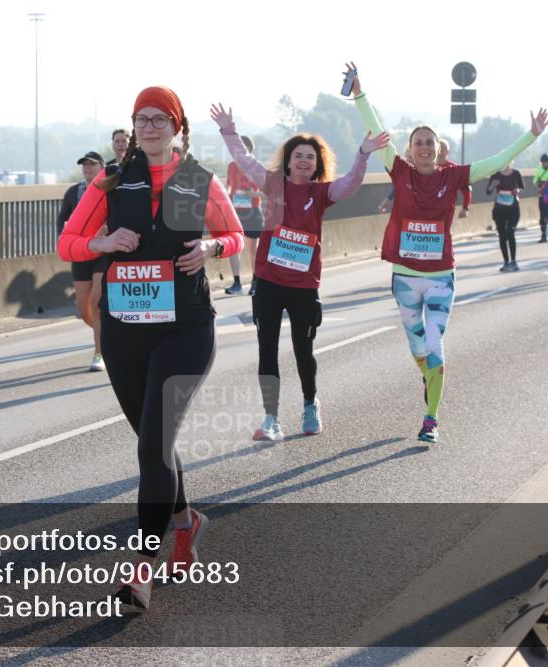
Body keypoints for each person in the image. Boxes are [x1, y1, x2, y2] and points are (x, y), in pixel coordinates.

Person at [58, 86, 244, 609]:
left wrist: (210, 246)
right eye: (141, 118)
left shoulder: (197, 180)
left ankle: (142, 566)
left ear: (178, 127)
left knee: (153, 442)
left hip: (186, 328)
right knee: (154, 440)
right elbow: (69, 242)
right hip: (124, 329)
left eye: (160, 118)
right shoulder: (112, 180)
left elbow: (235, 237)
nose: (149, 126)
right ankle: (187, 522)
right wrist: (103, 243)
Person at [348, 62, 547, 444]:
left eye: (430, 142)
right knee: (417, 349)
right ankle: (430, 379)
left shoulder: (452, 176)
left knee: (435, 347)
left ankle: (430, 417)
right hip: (405, 278)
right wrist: (360, 93)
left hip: (440, 279)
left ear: (439, 150)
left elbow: (495, 162)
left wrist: (531, 137)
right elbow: (376, 127)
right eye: (417, 141)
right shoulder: (399, 171)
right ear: (408, 150)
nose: (424, 146)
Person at [210, 101, 387, 441]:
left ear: (317, 163)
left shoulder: (323, 192)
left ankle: (309, 404)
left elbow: (350, 184)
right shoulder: (273, 183)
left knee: (303, 350)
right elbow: (244, 161)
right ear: (288, 161)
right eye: (298, 156)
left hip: (304, 285)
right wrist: (229, 131)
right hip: (268, 281)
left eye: (310, 157)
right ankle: (271, 418)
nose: (304, 161)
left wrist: (363, 154)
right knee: (266, 349)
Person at [57, 151, 107, 371]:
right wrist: (64, 238)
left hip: (104, 252)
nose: (87, 169)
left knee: (97, 302)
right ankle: (104, 331)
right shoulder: (74, 192)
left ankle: (99, 353)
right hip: (81, 251)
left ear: (102, 167)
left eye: (92, 165)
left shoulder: (110, 188)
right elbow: (62, 218)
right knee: (83, 306)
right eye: (84, 166)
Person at [224, 135, 264, 296]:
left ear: (248, 150)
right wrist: (225, 198)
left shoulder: (256, 167)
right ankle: (237, 282)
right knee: (233, 248)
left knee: (252, 250)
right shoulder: (232, 166)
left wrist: (252, 194)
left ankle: (255, 281)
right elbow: (228, 186)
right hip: (235, 211)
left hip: (253, 211)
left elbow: (267, 191)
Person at [486, 162, 525, 271]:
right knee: (502, 235)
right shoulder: (496, 174)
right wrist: (493, 185)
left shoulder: (516, 173)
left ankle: (513, 261)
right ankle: (506, 262)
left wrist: (517, 190)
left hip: (513, 208)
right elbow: (488, 192)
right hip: (499, 209)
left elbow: (522, 187)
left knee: (510, 232)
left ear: (511, 162)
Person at [438, 140, 472, 219]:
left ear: (447, 152)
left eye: (442, 150)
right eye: (437, 149)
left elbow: (466, 189)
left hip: (447, 210)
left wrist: (465, 208)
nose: (439, 152)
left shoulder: (454, 169)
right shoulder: (427, 168)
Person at [534, 154, 548, 243]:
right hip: (542, 195)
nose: (544, 164)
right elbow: (534, 180)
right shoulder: (539, 169)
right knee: (542, 216)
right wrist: (539, 183)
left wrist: (547, 183)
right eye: (542, 162)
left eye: (545, 162)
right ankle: (543, 235)